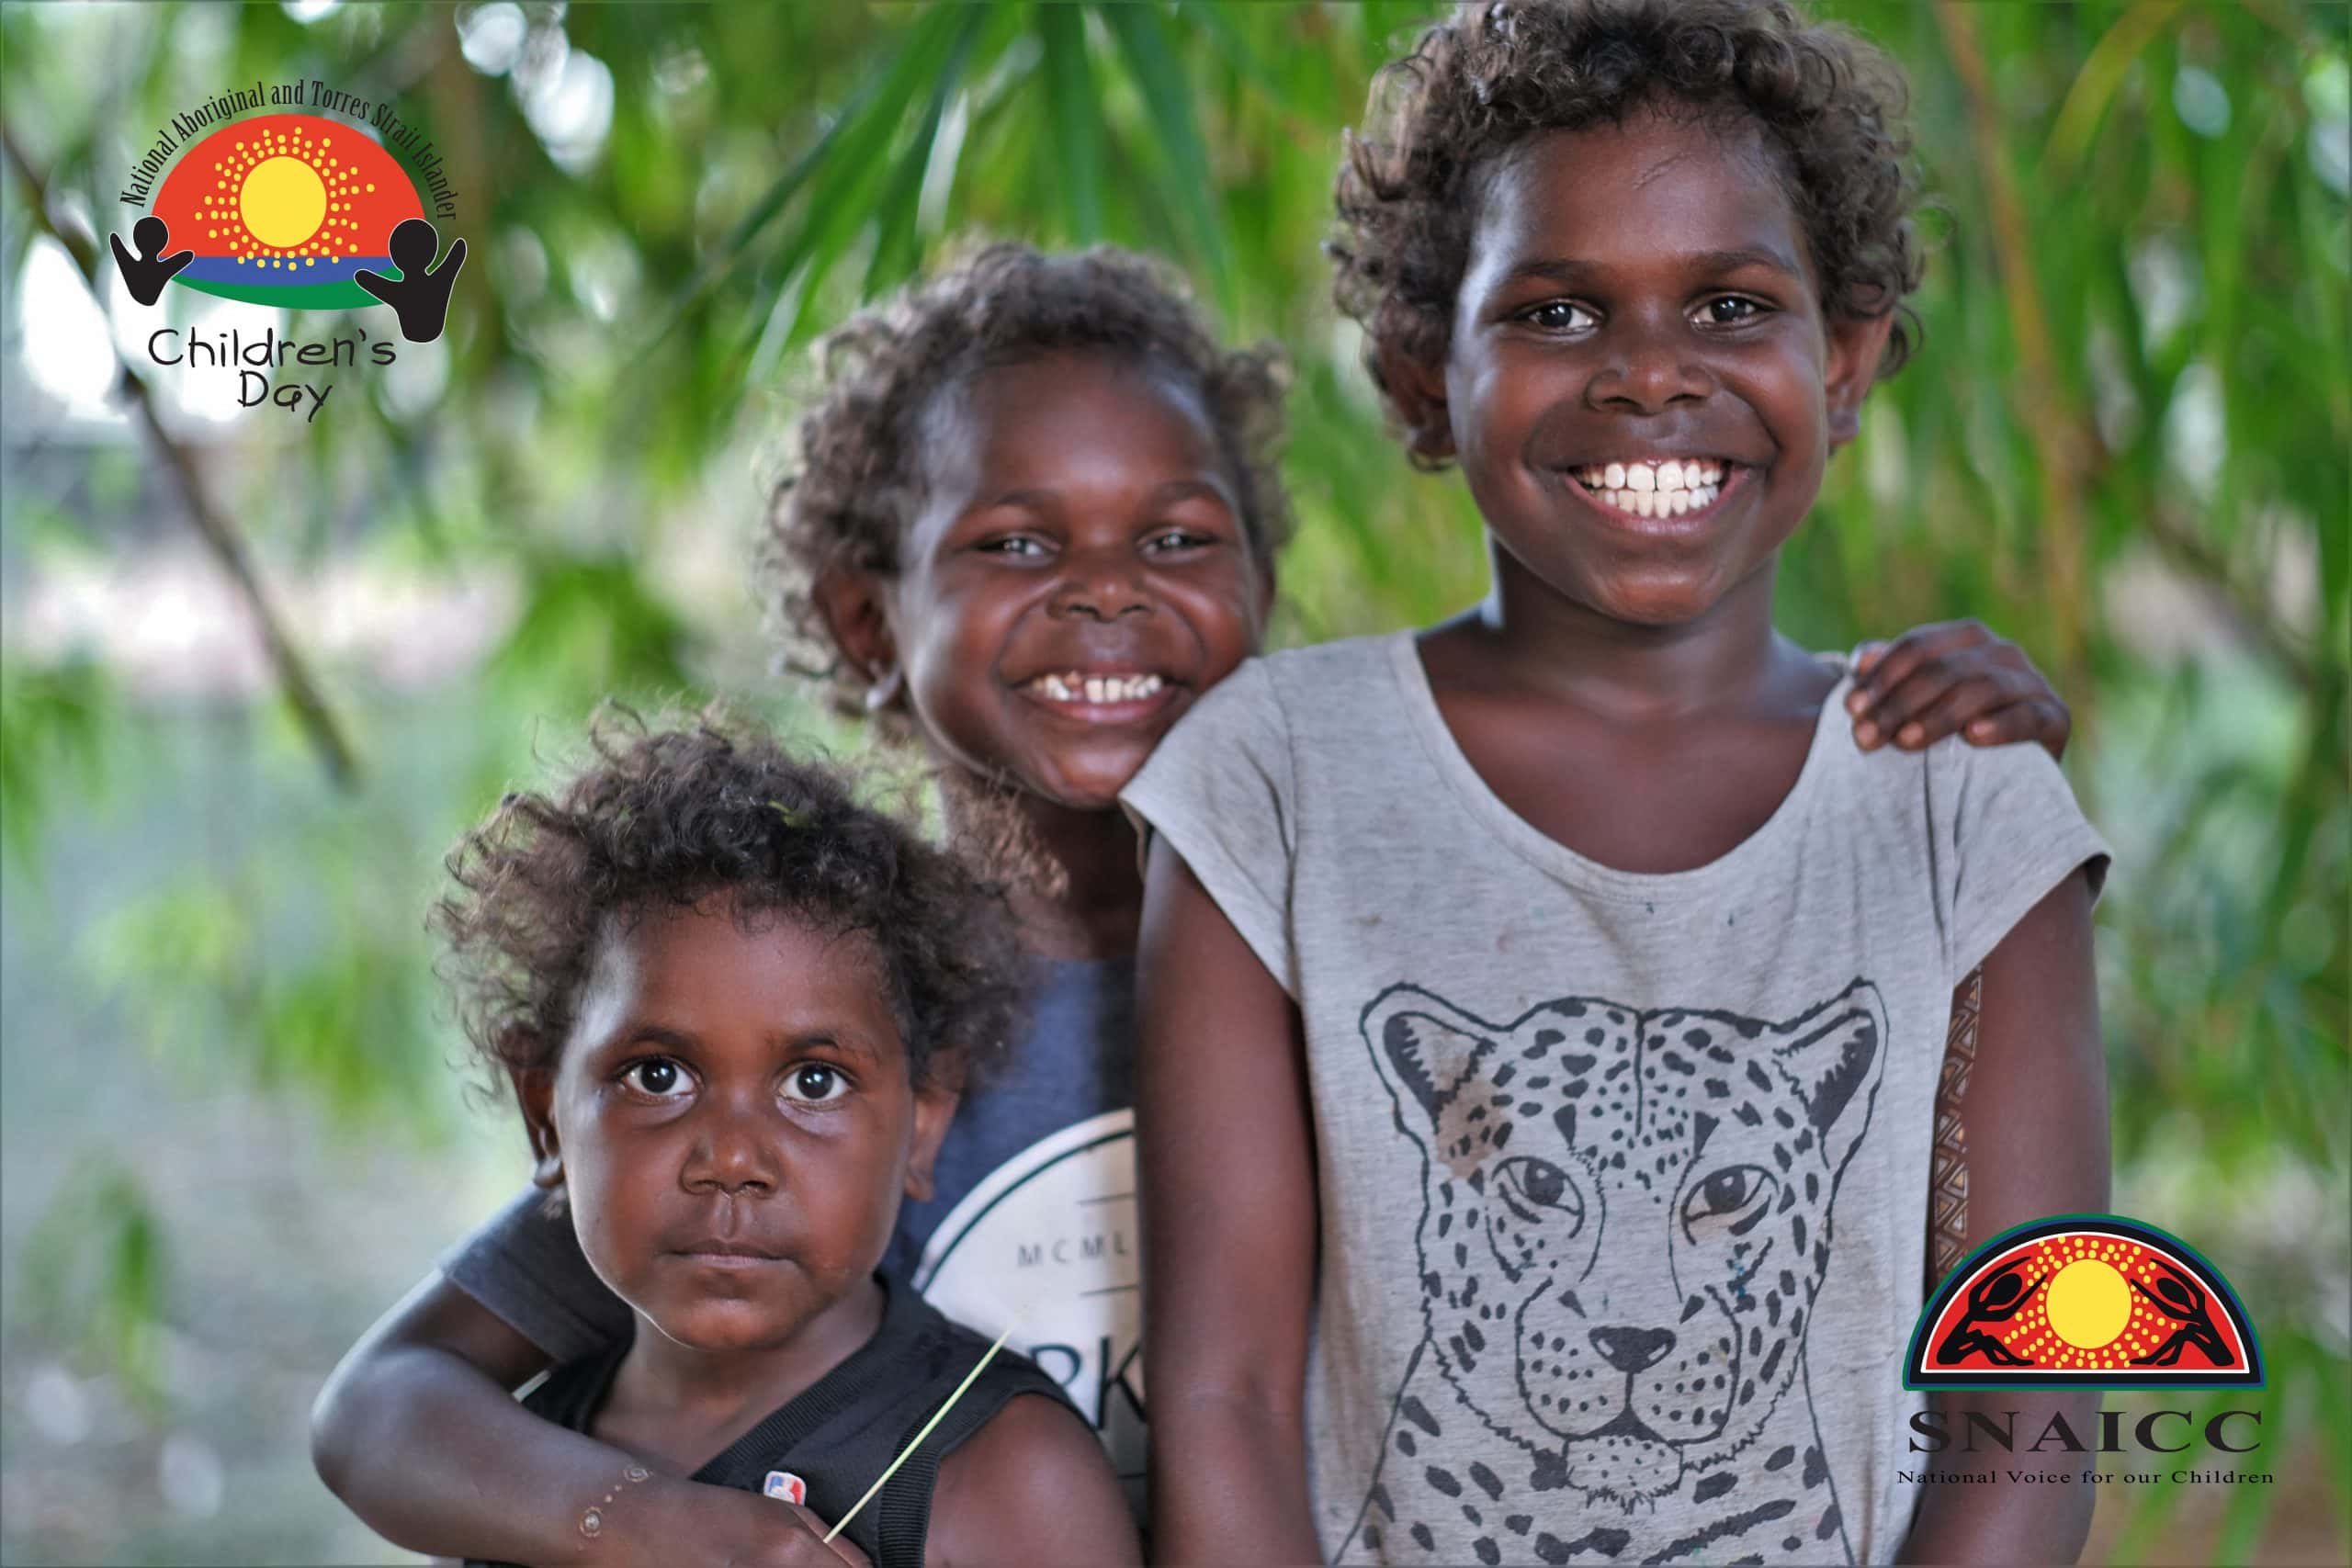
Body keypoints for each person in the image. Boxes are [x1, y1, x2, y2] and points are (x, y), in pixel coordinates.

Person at [311, 243, 2075, 1563]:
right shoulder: (803, 1007)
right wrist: (645, 1521)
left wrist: (1901, 730)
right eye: (1014, 544)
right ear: (868, 619)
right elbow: (390, 1406)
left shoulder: (1354, 919)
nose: (1103, 601)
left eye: (1175, 542)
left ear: (1257, 588)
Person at [1122, 5, 2110, 1566]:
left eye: (1728, 302)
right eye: (1559, 313)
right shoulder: (1272, 779)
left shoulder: (1962, 803)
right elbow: (1225, 1388)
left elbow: (2031, 1407)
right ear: (1421, 373)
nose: (1651, 374)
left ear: (1841, 364)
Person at [418, 712, 1136, 1568]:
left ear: (923, 1124)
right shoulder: (520, 1468)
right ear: (546, 1116)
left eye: (814, 1082)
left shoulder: (1007, 1478)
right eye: (657, 1076)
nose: (731, 1158)